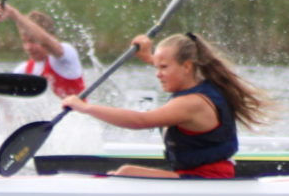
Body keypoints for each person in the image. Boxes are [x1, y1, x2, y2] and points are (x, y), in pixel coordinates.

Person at [61, 31, 271, 178]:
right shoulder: (202, 84)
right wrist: (148, 56)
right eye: (156, 66)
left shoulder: (191, 104)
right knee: (126, 172)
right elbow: (172, 65)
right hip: (200, 176)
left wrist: (86, 108)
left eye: (163, 67)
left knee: (126, 172)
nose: (157, 74)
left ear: (187, 67)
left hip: (207, 180)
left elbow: (140, 120)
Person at [0, 3, 86, 99]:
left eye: (33, 41)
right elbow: (3, 96)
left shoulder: (66, 54)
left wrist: (14, 14)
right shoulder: (25, 69)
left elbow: (45, 42)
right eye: (24, 41)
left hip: (79, 108)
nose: (28, 47)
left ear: (52, 37)